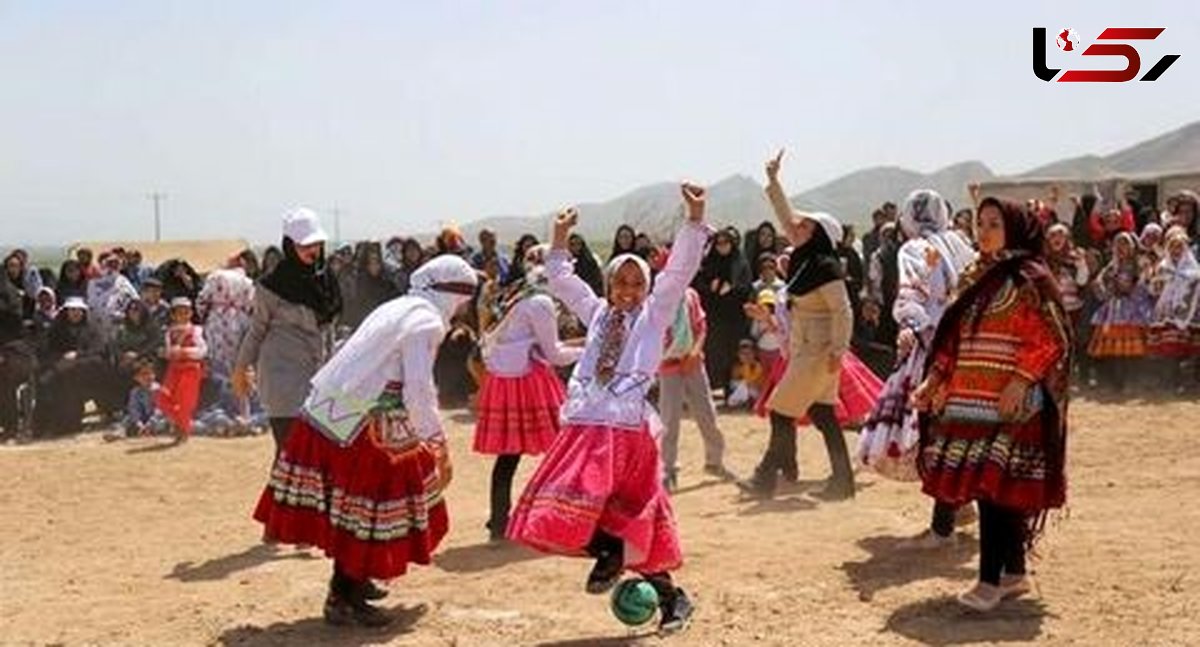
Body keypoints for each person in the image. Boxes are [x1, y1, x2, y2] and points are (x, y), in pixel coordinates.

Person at [508, 185, 709, 637]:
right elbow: (562, 280)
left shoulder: (655, 315)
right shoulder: (596, 313)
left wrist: (695, 219)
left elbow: (678, 272)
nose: (629, 291)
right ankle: (612, 555)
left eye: (638, 283)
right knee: (575, 507)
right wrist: (558, 237)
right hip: (585, 426)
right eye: (621, 282)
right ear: (609, 284)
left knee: (629, 515)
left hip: (625, 429)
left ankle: (670, 595)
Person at [253, 255, 477, 627]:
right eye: (464, 298)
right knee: (369, 508)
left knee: (352, 506)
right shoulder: (424, 323)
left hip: (333, 411)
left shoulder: (398, 308)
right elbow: (418, 390)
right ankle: (344, 595)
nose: (464, 307)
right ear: (453, 294)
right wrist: (437, 442)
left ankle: (358, 580)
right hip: (366, 422)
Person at [912, 197, 1071, 612]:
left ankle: (988, 582)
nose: (983, 231)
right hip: (969, 403)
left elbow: (1051, 339)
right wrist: (934, 379)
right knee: (994, 491)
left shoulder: (1029, 278)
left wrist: (1020, 380)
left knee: (995, 493)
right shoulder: (975, 277)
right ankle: (1013, 573)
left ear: (1015, 228)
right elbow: (952, 340)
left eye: (994, 224)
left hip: (1012, 406)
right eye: (980, 223)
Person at [855, 189, 978, 547]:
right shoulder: (960, 243)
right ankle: (959, 505)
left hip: (932, 347)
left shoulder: (914, 250)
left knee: (934, 432)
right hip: (970, 346)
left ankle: (943, 527)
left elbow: (911, 291)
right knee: (961, 429)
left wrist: (908, 324)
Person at [739, 150, 855, 500]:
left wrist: (838, 350)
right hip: (811, 347)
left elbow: (843, 310)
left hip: (819, 351)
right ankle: (842, 482)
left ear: (819, 234)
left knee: (779, 410)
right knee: (822, 414)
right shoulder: (808, 259)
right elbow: (785, 217)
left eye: (806, 225)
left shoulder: (825, 266)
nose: (795, 227)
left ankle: (765, 478)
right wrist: (774, 182)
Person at [474, 244, 581, 541]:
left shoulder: (519, 295)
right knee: (565, 446)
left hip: (505, 380)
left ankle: (498, 523)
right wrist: (589, 350)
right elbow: (555, 353)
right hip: (529, 382)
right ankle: (565, 516)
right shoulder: (541, 304)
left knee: (509, 456)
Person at [235, 208, 342, 455]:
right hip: (283, 381)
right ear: (289, 246)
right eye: (305, 245)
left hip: (323, 377)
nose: (312, 251)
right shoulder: (271, 287)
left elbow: (330, 329)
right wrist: (241, 368)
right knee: (291, 457)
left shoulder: (327, 281)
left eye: (316, 244)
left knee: (333, 450)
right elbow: (257, 330)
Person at [658, 286, 730, 492]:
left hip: (693, 362)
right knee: (669, 419)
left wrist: (694, 353)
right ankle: (668, 468)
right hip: (668, 364)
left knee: (706, 412)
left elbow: (701, 326)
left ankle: (714, 461)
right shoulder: (657, 297)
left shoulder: (690, 295)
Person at [1087, 232, 1152, 391]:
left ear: (1132, 246)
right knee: (1113, 349)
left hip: (1134, 309)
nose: (1122, 247)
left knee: (1132, 349)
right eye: (1118, 244)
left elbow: (1145, 284)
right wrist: (1101, 289)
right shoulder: (1111, 265)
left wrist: (1130, 291)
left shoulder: (1140, 264)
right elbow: (1100, 283)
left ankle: (1132, 381)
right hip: (1113, 309)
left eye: (1125, 243)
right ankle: (1116, 382)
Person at [693, 227, 752, 401]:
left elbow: (746, 287)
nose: (722, 246)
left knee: (734, 353)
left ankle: (732, 392)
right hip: (714, 316)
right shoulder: (709, 263)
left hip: (735, 318)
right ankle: (711, 390)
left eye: (725, 243)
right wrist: (710, 288)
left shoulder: (741, 263)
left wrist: (732, 288)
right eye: (718, 243)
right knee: (714, 354)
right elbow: (699, 286)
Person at [196, 257, 256, 382]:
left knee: (216, 358)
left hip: (217, 320)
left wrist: (205, 317)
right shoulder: (248, 282)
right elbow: (252, 306)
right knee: (237, 359)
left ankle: (221, 389)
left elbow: (201, 301)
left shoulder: (215, 276)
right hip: (239, 322)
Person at [157, 298, 207, 441]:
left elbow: (203, 350)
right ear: (173, 315)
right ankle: (182, 424)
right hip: (173, 369)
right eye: (179, 313)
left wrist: (184, 352)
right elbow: (168, 352)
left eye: (185, 312)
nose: (182, 316)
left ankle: (182, 430)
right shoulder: (169, 332)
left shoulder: (196, 330)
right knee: (162, 398)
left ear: (190, 313)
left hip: (191, 369)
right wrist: (166, 353)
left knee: (185, 403)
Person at [123, 361, 166, 437]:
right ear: (136, 378)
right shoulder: (135, 392)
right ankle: (121, 432)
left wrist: (150, 422)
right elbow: (133, 408)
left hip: (157, 420)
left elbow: (160, 410)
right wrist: (138, 423)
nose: (148, 376)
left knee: (166, 423)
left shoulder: (159, 390)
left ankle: (147, 431)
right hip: (143, 419)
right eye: (144, 374)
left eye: (151, 373)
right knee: (127, 420)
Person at [727, 339, 764, 408]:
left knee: (747, 386)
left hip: (755, 390)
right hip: (743, 390)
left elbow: (758, 381)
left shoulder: (757, 365)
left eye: (749, 353)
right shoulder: (737, 367)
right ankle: (745, 402)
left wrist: (748, 365)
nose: (746, 356)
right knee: (742, 385)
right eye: (743, 353)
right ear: (738, 355)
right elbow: (734, 381)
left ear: (754, 354)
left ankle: (749, 402)